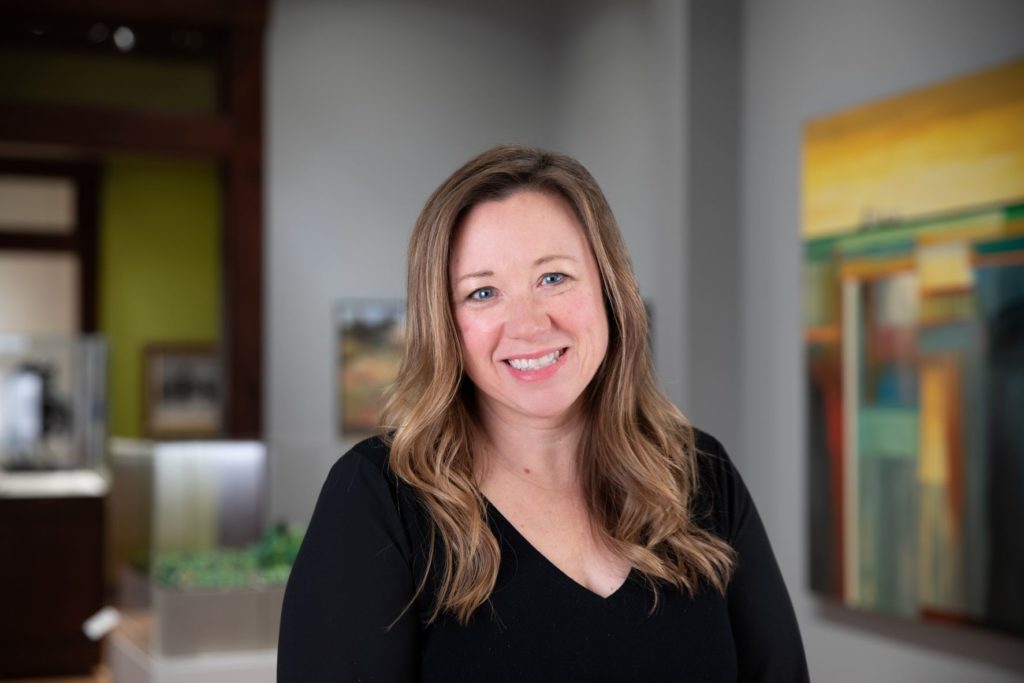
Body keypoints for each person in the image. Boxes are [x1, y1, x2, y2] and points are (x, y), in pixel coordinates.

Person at [278, 144, 809, 682]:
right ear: (445, 324)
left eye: (553, 278)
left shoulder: (700, 475)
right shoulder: (379, 499)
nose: (529, 325)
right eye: (482, 292)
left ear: (609, 287)